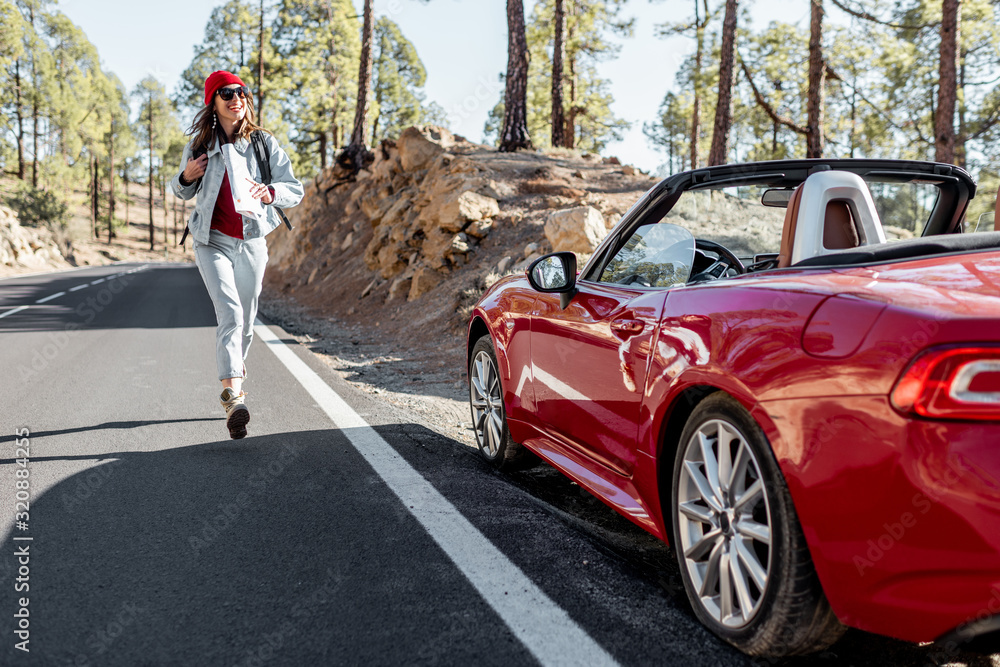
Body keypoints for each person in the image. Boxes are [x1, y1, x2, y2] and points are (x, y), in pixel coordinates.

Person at [171, 70, 303, 440]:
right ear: (213, 102)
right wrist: (186, 175)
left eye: (241, 92)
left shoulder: (263, 143)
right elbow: (181, 191)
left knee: (246, 319)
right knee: (229, 311)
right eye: (226, 93)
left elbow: (295, 188)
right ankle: (234, 397)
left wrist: (271, 193)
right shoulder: (201, 144)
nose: (236, 98)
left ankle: (235, 373)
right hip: (210, 240)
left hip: (251, 241)